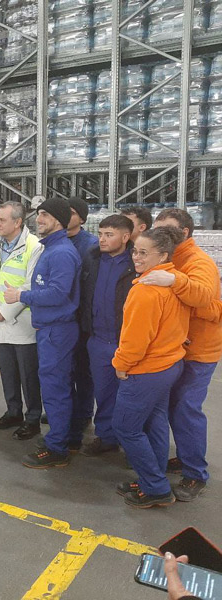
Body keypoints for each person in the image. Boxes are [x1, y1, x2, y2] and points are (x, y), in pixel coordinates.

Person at [145, 208, 222, 501]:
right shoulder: (169, 256)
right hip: (175, 348)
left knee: (186, 409)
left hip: (198, 351)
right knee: (172, 407)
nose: (159, 233)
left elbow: (204, 298)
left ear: (184, 233)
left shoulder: (197, 261)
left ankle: (195, 474)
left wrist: (174, 284)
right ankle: (186, 457)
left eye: (167, 229)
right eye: (157, 228)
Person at [113, 226, 189, 508]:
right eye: (135, 251)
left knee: (126, 428)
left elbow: (135, 339)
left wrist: (121, 364)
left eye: (144, 253)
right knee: (155, 423)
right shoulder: (175, 281)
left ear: (164, 255)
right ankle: (151, 478)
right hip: (169, 364)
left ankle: (156, 488)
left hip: (146, 370)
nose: (136, 257)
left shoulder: (146, 291)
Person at [4, 198, 81, 468]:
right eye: (38, 214)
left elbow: (59, 293)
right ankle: (63, 437)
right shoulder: (51, 248)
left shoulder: (60, 252)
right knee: (56, 387)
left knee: (55, 389)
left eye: (45, 215)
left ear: (58, 220)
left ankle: (56, 447)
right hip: (51, 329)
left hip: (56, 331)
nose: (39, 219)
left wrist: (21, 295)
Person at [0, 201, 43, 440]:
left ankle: (33, 418)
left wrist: (5, 312)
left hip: (22, 323)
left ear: (17, 222)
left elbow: (29, 286)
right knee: (7, 372)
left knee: (28, 376)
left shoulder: (34, 247)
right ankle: (13, 411)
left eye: (1, 220)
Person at [78, 214, 136, 457]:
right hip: (98, 339)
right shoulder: (93, 259)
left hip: (126, 341)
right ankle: (106, 436)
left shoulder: (136, 263)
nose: (102, 239)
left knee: (132, 397)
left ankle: (134, 445)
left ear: (125, 237)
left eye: (109, 235)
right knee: (103, 392)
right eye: (100, 234)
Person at [66, 196, 98, 434]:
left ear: (82, 218)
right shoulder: (49, 241)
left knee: (82, 370)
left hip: (81, 319)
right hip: (60, 319)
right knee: (64, 369)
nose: (67, 217)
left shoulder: (91, 246)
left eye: (72, 212)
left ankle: (84, 413)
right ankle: (67, 409)